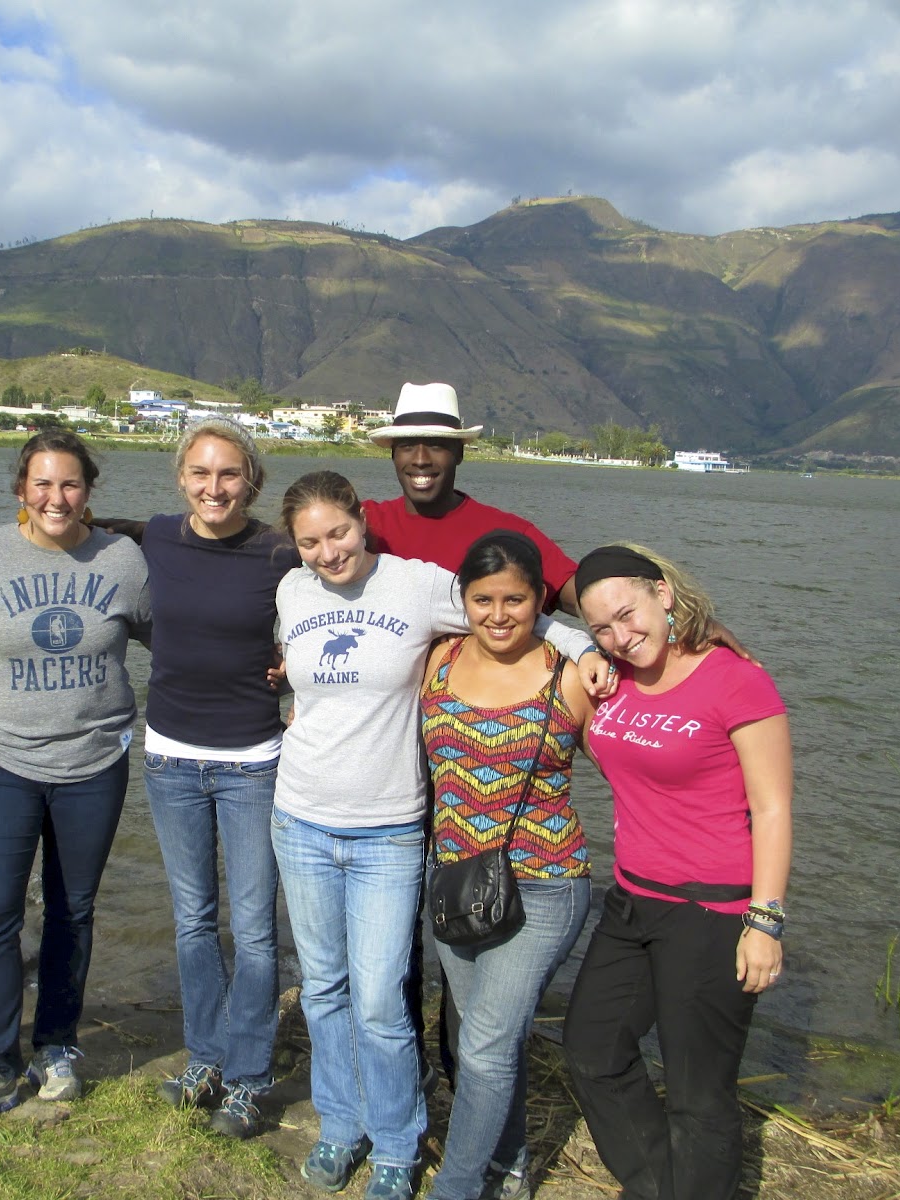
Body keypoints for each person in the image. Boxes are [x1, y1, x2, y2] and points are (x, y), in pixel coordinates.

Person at [272, 472, 604, 1200]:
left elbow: (507, 604)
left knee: (380, 998)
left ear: (363, 521)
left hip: (390, 828)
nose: (328, 551)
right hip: (299, 815)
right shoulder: (292, 591)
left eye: (339, 532)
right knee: (322, 988)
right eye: (310, 541)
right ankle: (340, 1124)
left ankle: (397, 1141)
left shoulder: (417, 584)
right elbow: (300, 670)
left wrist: (582, 644)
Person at [0, 430, 152, 1130]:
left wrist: (273, 672)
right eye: (42, 484)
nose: (56, 498)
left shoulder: (122, 560)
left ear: (88, 490)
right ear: (20, 489)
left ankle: (57, 1044)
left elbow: (176, 638)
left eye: (70, 484)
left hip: (94, 762)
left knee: (72, 911)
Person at [562, 544, 792, 1200]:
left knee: (699, 1092)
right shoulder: (611, 674)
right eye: (602, 628)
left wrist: (765, 922)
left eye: (627, 614)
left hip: (712, 911)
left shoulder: (735, 679)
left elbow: (773, 808)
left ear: (662, 594)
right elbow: (522, 617)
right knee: (592, 1051)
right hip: (631, 901)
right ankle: (659, 1186)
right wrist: (583, 651)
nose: (621, 636)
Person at [133, 419, 298, 1138]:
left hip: (253, 761)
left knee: (256, 930)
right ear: (181, 478)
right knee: (194, 920)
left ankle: (249, 1076)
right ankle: (205, 1057)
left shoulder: (280, 552)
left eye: (229, 473)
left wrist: (294, 665)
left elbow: (340, 592)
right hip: (169, 756)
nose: (214, 487)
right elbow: (80, 530)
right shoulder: (156, 537)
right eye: (200, 472)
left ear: (251, 481)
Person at [419, 531, 595, 1200]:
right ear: (463, 599)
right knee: (485, 1040)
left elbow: (638, 765)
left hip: (546, 884)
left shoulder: (570, 673)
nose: (498, 615)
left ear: (540, 599)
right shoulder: (438, 659)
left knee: (487, 1044)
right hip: (455, 881)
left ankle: (457, 1187)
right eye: (483, 600)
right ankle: (510, 1163)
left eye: (515, 600)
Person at [364, 382, 578, 613]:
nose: (420, 460)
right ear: (393, 455)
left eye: (436, 446)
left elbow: (582, 597)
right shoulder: (358, 525)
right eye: (407, 447)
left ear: (459, 454)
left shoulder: (509, 533)